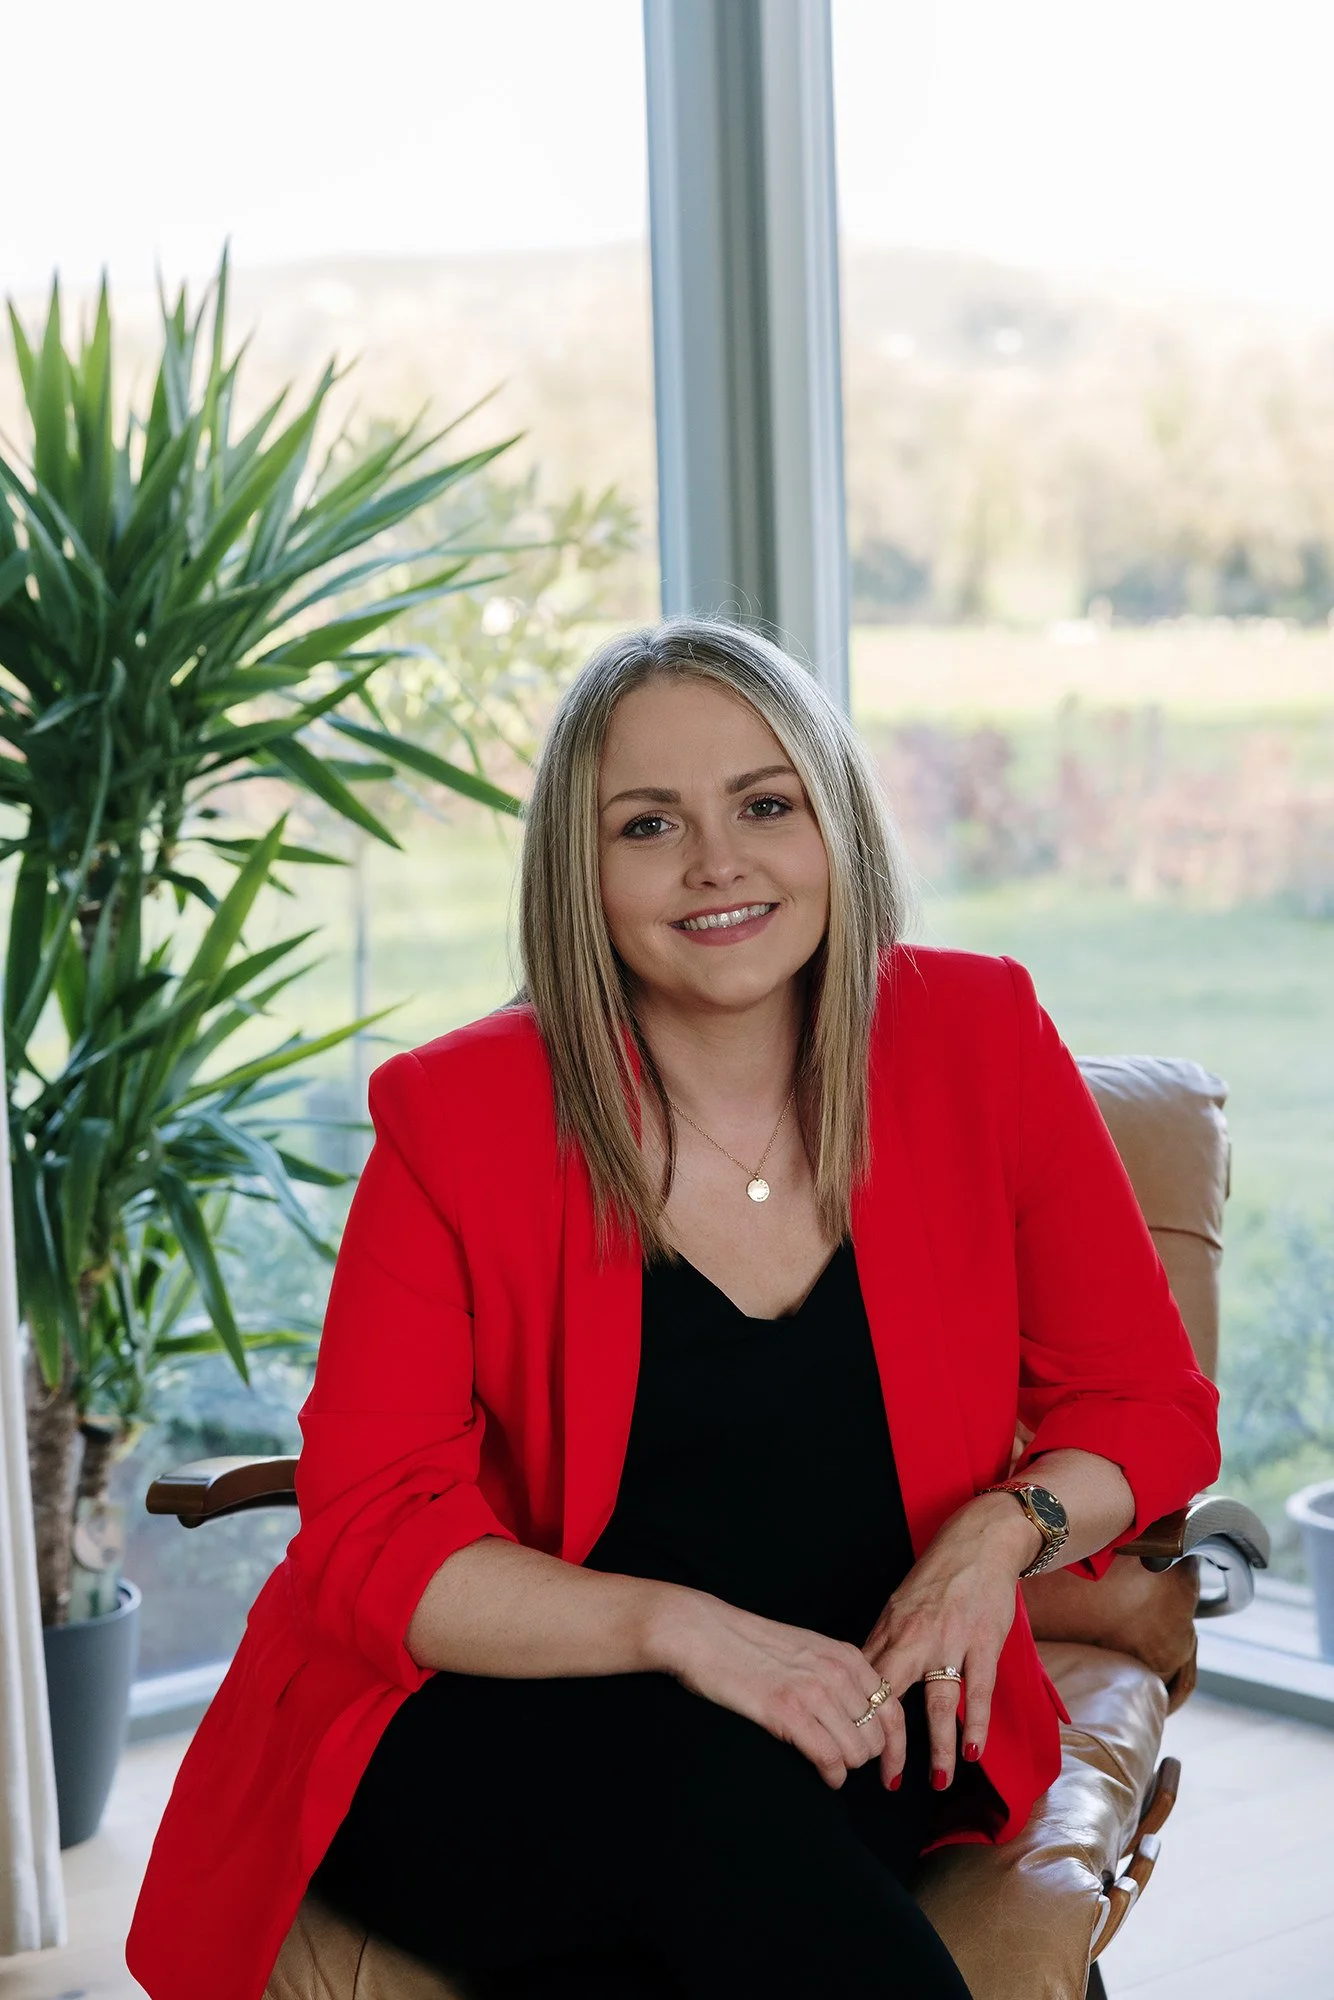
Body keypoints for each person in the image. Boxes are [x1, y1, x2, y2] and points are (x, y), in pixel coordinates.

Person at [127, 619, 1220, 2000]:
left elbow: (1144, 1409)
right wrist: (682, 1631)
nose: (717, 862)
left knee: (711, 1880)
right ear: (579, 873)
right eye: (648, 824)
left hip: (859, 1712)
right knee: (702, 1809)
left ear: (833, 822)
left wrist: (995, 1541)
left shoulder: (977, 1041)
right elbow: (372, 1535)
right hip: (490, 1731)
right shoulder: (457, 1118)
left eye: (765, 804)